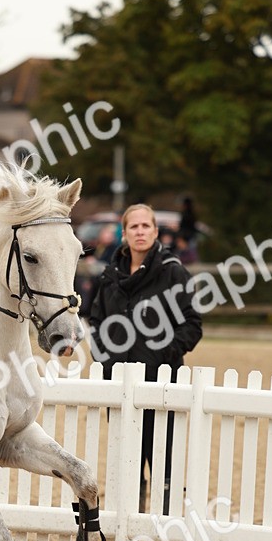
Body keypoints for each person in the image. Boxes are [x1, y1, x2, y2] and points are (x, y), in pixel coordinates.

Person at [87, 203, 203, 510]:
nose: (140, 232)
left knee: (165, 466)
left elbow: (191, 325)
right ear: (124, 234)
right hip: (121, 386)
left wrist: (162, 356)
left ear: (155, 231)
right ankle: (128, 530)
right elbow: (96, 321)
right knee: (127, 465)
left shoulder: (173, 273)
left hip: (161, 386)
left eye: (145, 226)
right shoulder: (110, 276)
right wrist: (106, 360)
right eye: (133, 227)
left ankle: (165, 534)